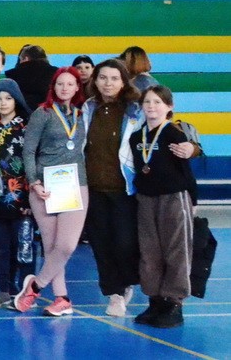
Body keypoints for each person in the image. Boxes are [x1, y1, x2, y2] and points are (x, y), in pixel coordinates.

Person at [15, 67, 89, 316]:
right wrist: (34, 182)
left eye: (70, 84)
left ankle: (35, 286)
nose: (65, 88)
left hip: (75, 184)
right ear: (53, 87)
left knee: (66, 245)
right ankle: (62, 298)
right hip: (45, 185)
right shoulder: (42, 113)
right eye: (60, 84)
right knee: (51, 246)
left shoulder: (83, 114)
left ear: (77, 87)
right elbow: (28, 151)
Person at [81, 58, 145, 317]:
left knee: (125, 243)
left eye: (114, 78)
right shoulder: (87, 107)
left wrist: (191, 147)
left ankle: (127, 281)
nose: (108, 83)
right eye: (103, 78)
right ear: (95, 81)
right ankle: (114, 293)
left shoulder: (135, 110)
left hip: (125, 190)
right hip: (93, 189)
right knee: (101, 244)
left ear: (124, 82)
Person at [131, 86, 197, 328]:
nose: (151, 106)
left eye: (157, 102)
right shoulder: (136, 137)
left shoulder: (173, 133)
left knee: (176, 250)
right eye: (147, 102)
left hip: (173, 198)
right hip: (146, 198)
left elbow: (186, 166)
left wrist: (193, 200)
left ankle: (174, 302)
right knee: (149, 252)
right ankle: (155, 300)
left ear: (169, 107)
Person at [0, 79, 35, 308]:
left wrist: (31, 199)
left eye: (8, 98)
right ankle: (4, 290)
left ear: (17, 100)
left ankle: (26, 292)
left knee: (24, 246)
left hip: (23, 199)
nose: (3, 103)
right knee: (0, 248)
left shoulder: (28, 126)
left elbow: (34, 161)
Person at [6, 44, 58, 111]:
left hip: (21, 113)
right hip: (50, 112)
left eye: (20, 60)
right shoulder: (56, 73)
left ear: (26, 58)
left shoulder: (12, 75)